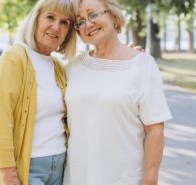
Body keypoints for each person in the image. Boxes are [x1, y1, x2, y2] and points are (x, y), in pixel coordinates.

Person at [63, 0, 172, 184]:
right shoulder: (72, 68)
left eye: (94, 14)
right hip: (77, 177)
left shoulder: (143, 65)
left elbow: (155, 129)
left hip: (124, 178)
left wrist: (150, 179)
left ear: (113, 15)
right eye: (80, 21)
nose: (88, 24)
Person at [0, 0, 77, 185]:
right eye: (50, 17)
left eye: (64, 22)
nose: (56, 27)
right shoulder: (13, 60)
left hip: (59, 166)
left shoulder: (58, 67)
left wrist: (126, 57)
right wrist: (9, 176)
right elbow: (0, 122)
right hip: (28, 168)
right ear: (35, 20)